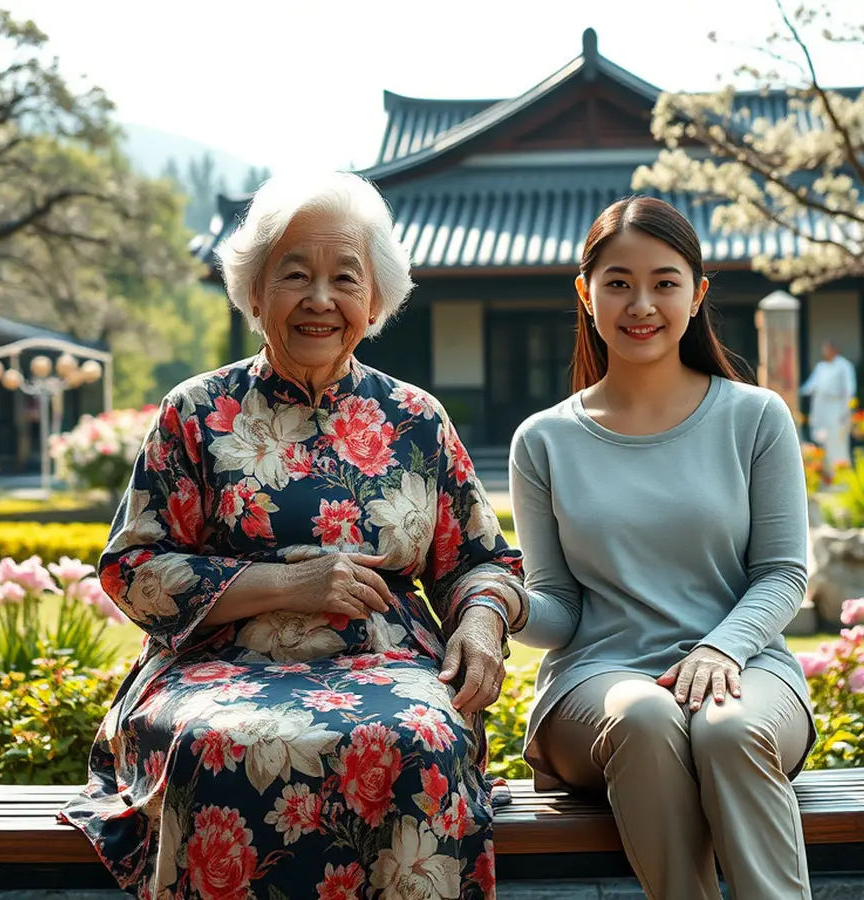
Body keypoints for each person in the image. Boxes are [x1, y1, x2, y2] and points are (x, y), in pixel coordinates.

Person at [62, 172, 526, 900]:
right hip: (216, 669)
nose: (320, 299)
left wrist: (480, 623)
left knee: (419, 742)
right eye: (294, 275)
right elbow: (133, 569)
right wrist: (287, 583)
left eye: (345, 277)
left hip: (387, 664)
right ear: (254, 293)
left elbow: (482, 561)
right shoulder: (196, 411)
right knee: (218, 748)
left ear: (374, 302)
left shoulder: (416, 419)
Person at [509, 196, 815, 900]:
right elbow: (557, 607)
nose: (640, 303)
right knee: (645, 714)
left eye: (665, 282)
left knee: (727, 729)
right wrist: (501, 603)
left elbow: (782, 572)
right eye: (617, 282)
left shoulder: (755, 416)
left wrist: (719, 648)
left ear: (697, 294)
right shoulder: (544, 440)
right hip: (598, 684)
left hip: (744, 669)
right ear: (585, 295)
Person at [800, 340, 856, 472]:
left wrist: (847, 408)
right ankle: (827, 472)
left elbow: (849, 388)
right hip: (821, 407)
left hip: (837, 407)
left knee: (837, 439)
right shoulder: (821, 367)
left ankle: (840, 471)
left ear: (835, 350)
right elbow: (811, 385)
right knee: (823, 439)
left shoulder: (844, 366)